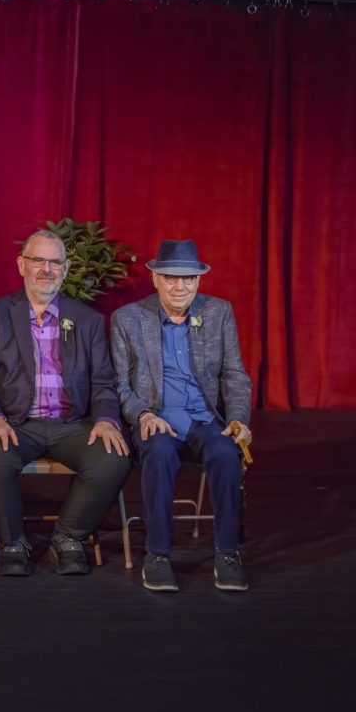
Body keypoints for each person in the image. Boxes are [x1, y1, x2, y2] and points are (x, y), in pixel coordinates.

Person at [0, 230, 131, 577]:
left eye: (54, 262)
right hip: (15, 423)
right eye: (38, 260)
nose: (46, 269)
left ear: (66, 267)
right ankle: (13, 543)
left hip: (72, 424)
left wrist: (104, 419)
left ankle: (68, 538)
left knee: (113, 458)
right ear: (21, 265)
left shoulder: (86, 320)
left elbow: (104, 381)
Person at [111, 239, 253, 592]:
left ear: (199, 281)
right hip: (157, 418)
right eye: (171, 278)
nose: (180, 286)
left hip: (204, 419)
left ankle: (227, 552)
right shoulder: (127, 319)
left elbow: (234, 374)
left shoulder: (219, 312)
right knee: (158, 454)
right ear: (156, 278)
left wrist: (238, 419)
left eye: (188, 279)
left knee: (226, 455)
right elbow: (118, 384)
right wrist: (142, 414)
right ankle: (157, 554)